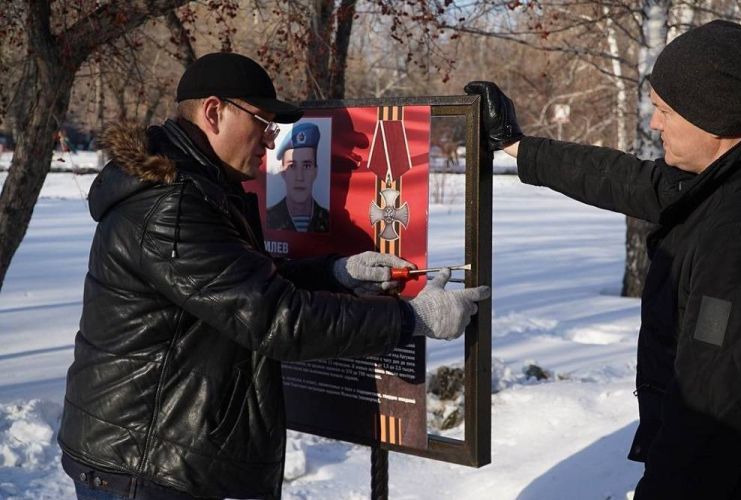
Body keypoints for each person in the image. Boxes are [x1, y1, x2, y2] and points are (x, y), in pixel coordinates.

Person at [58, 52, 490, 500]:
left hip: (155, 447)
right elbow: (273, 317)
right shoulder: (172, 204)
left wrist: (336, 273)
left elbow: (242, 281)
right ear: (213, 111)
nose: (269, 140)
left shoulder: (201, 186)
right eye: (263, 122)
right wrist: (410, 319)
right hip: (142, 462)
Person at [467, 19, 741, 500]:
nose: (654, 122)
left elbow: (710, 415)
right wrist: (516, 144)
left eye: (664, 110)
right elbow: (629, 179)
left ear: (713, 115)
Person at [267, 121, 329, 232]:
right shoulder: (268, 218)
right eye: (292, 166)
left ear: (315, 171)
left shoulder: (328, 219)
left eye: (306, 166)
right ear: (283, 172)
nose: (299, 177)